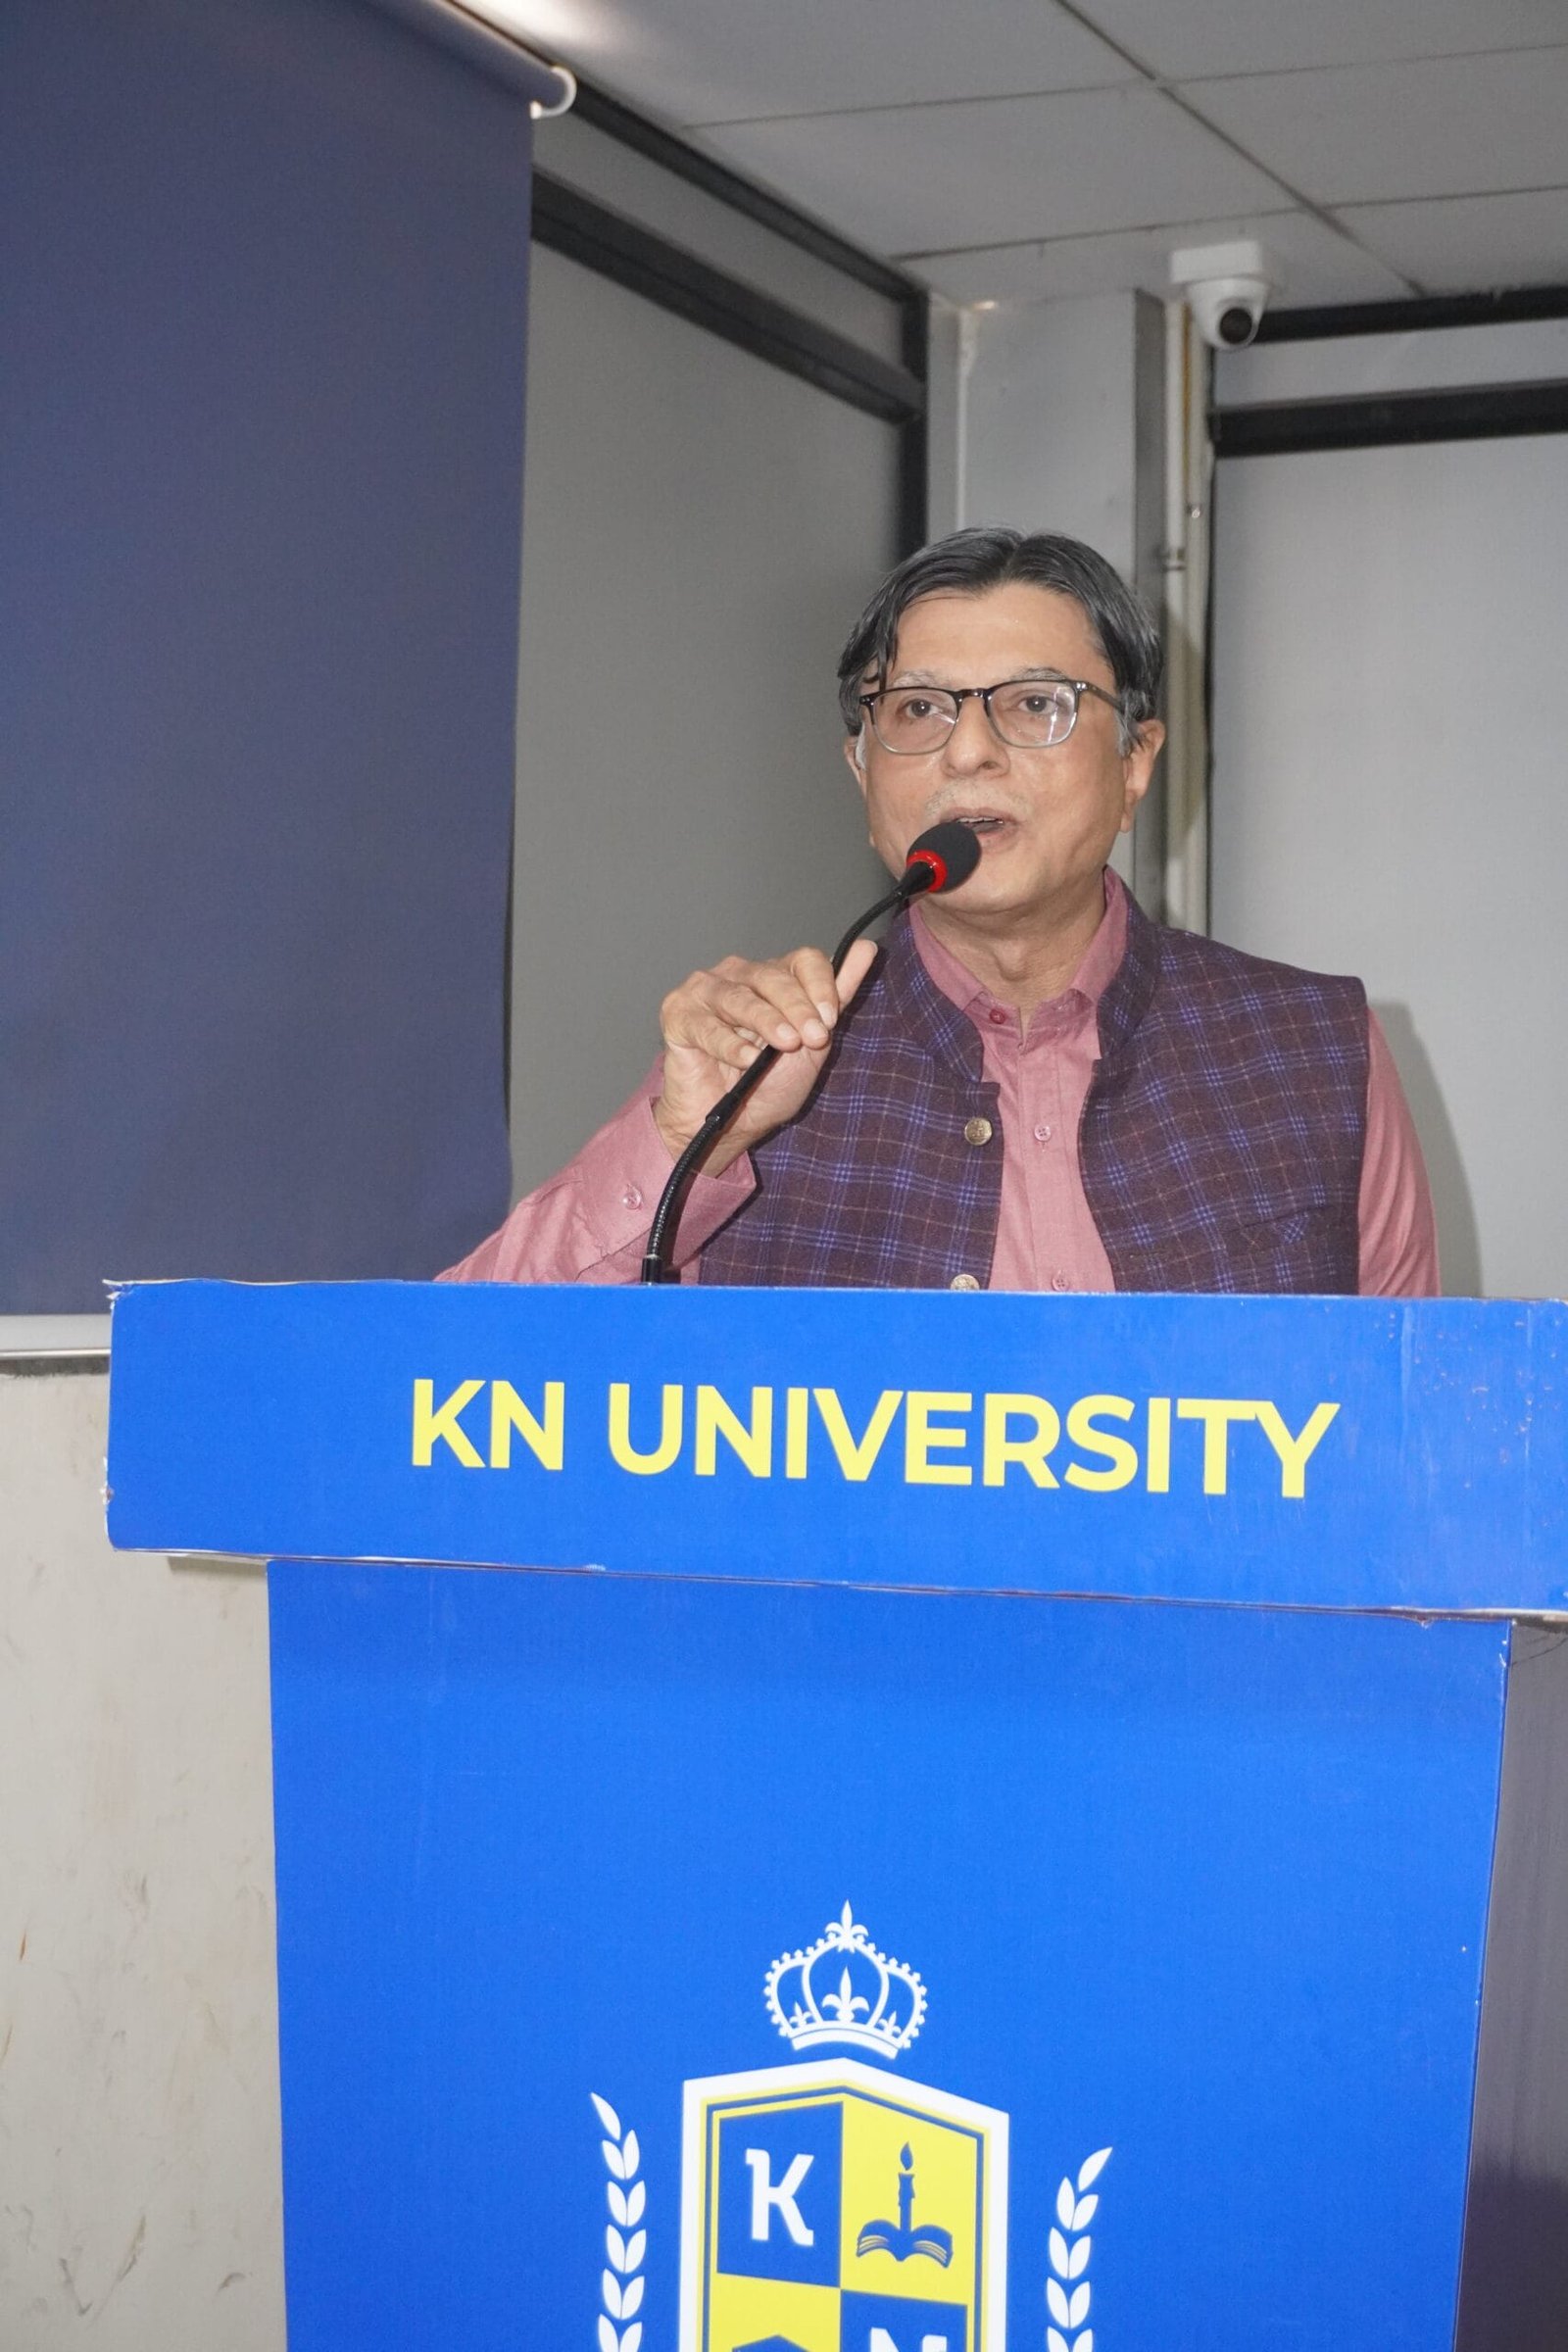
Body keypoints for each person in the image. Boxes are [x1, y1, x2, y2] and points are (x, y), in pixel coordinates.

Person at [444, 528, 1437, 1295]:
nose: (967, 752)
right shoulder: (766, 1052)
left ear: (1135, 761)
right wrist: (684, 1138)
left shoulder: (1318, 1048)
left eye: (1034, 703)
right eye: (918, 710)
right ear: (861, 771)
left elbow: (1413, 1434)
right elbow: (450, 1378)